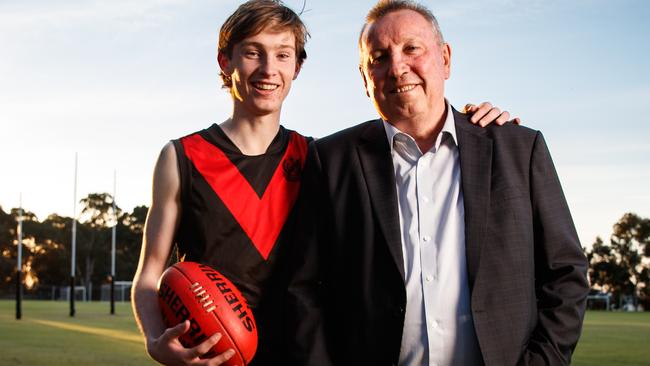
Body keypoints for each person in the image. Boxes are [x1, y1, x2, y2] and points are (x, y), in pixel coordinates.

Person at [131, 1, 514, 365]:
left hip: (301, 356)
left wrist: (473, 123)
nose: (268, 69)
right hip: (215, 356)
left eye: (282, 54)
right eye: (252, 52)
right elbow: (150, 273)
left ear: (297, 67)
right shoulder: (182, 157)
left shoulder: (321, 158)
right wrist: (154, 342)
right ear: (224, 60)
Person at [287, 1, 589, 365]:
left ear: (445, 59)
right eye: (379, 57)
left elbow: (566, 274)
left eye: (411, 48)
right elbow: (303, 289)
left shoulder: (517, 148)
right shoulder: (332, 159)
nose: (397, 67)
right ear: (365, 80)